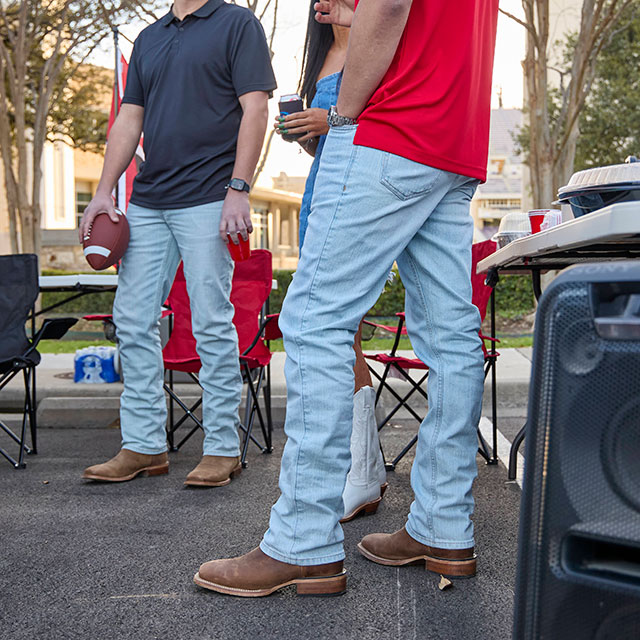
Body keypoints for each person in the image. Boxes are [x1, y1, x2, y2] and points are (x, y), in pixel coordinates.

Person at [194, 0, 499, 597]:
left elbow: (388, 6)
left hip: (390, 128)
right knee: (451, 338)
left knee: (314, 321)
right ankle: (443, 526)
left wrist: (342, 113)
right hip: (453, 138)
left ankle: (303, 540)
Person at [79, 0, 277, 487]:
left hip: (210, 196)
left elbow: (256, 108)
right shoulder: (148, 38)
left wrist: (239, 188)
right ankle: (143, 445)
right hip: (148, 200)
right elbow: (129, 119)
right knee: (132, 319)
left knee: (211, 320)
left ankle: (223, 448)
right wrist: (103, 192)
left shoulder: (237, 24)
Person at [274, 1, 386, 523]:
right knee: (337, 334)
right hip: (322, 191)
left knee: (341, 330)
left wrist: (336, 119)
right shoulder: (319, 55)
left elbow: (383, 121)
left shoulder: (378, 38)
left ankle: (359, 472)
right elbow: (327, 140)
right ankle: (360, 468)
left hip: (365, 192)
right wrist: (308, 132)